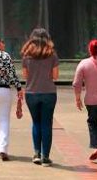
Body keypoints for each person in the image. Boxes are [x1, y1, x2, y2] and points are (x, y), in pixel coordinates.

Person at [21, 28, 59, 167]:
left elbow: (25, 76)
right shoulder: (52, 55)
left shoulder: (27, 55)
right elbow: (55, 76)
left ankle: (36, 154)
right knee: (47, 124)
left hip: (31, 93)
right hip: (49, 93)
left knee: (36, 123)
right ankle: (46, 157)